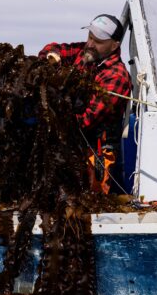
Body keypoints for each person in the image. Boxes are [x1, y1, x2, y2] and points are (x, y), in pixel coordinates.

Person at [39, 14, 133, 193]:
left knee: (93, 204)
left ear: (115, 45)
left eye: (97, 41)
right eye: (89, 36)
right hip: (72, 149)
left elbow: (85, 120)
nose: (90, 44)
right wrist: (51, 56)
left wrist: (51, 113)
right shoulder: (84, 53)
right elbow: (53, 48)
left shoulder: (116, 76)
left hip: (97, 155)